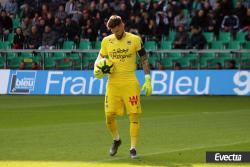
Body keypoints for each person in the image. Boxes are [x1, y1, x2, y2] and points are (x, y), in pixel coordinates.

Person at [93, 15, 152, 158]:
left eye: (118, 30)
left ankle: (133, 148)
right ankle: (117, 140)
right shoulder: (107, 41)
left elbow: (144, 60)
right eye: (114, 31)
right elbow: (99, 59)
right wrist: (96, 69)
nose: (117, 33)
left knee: (133, 115)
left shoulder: (135, 40)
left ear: (123, 25)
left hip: (130, 83)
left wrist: (148, 79)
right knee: (108, 116)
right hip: (113, 84)